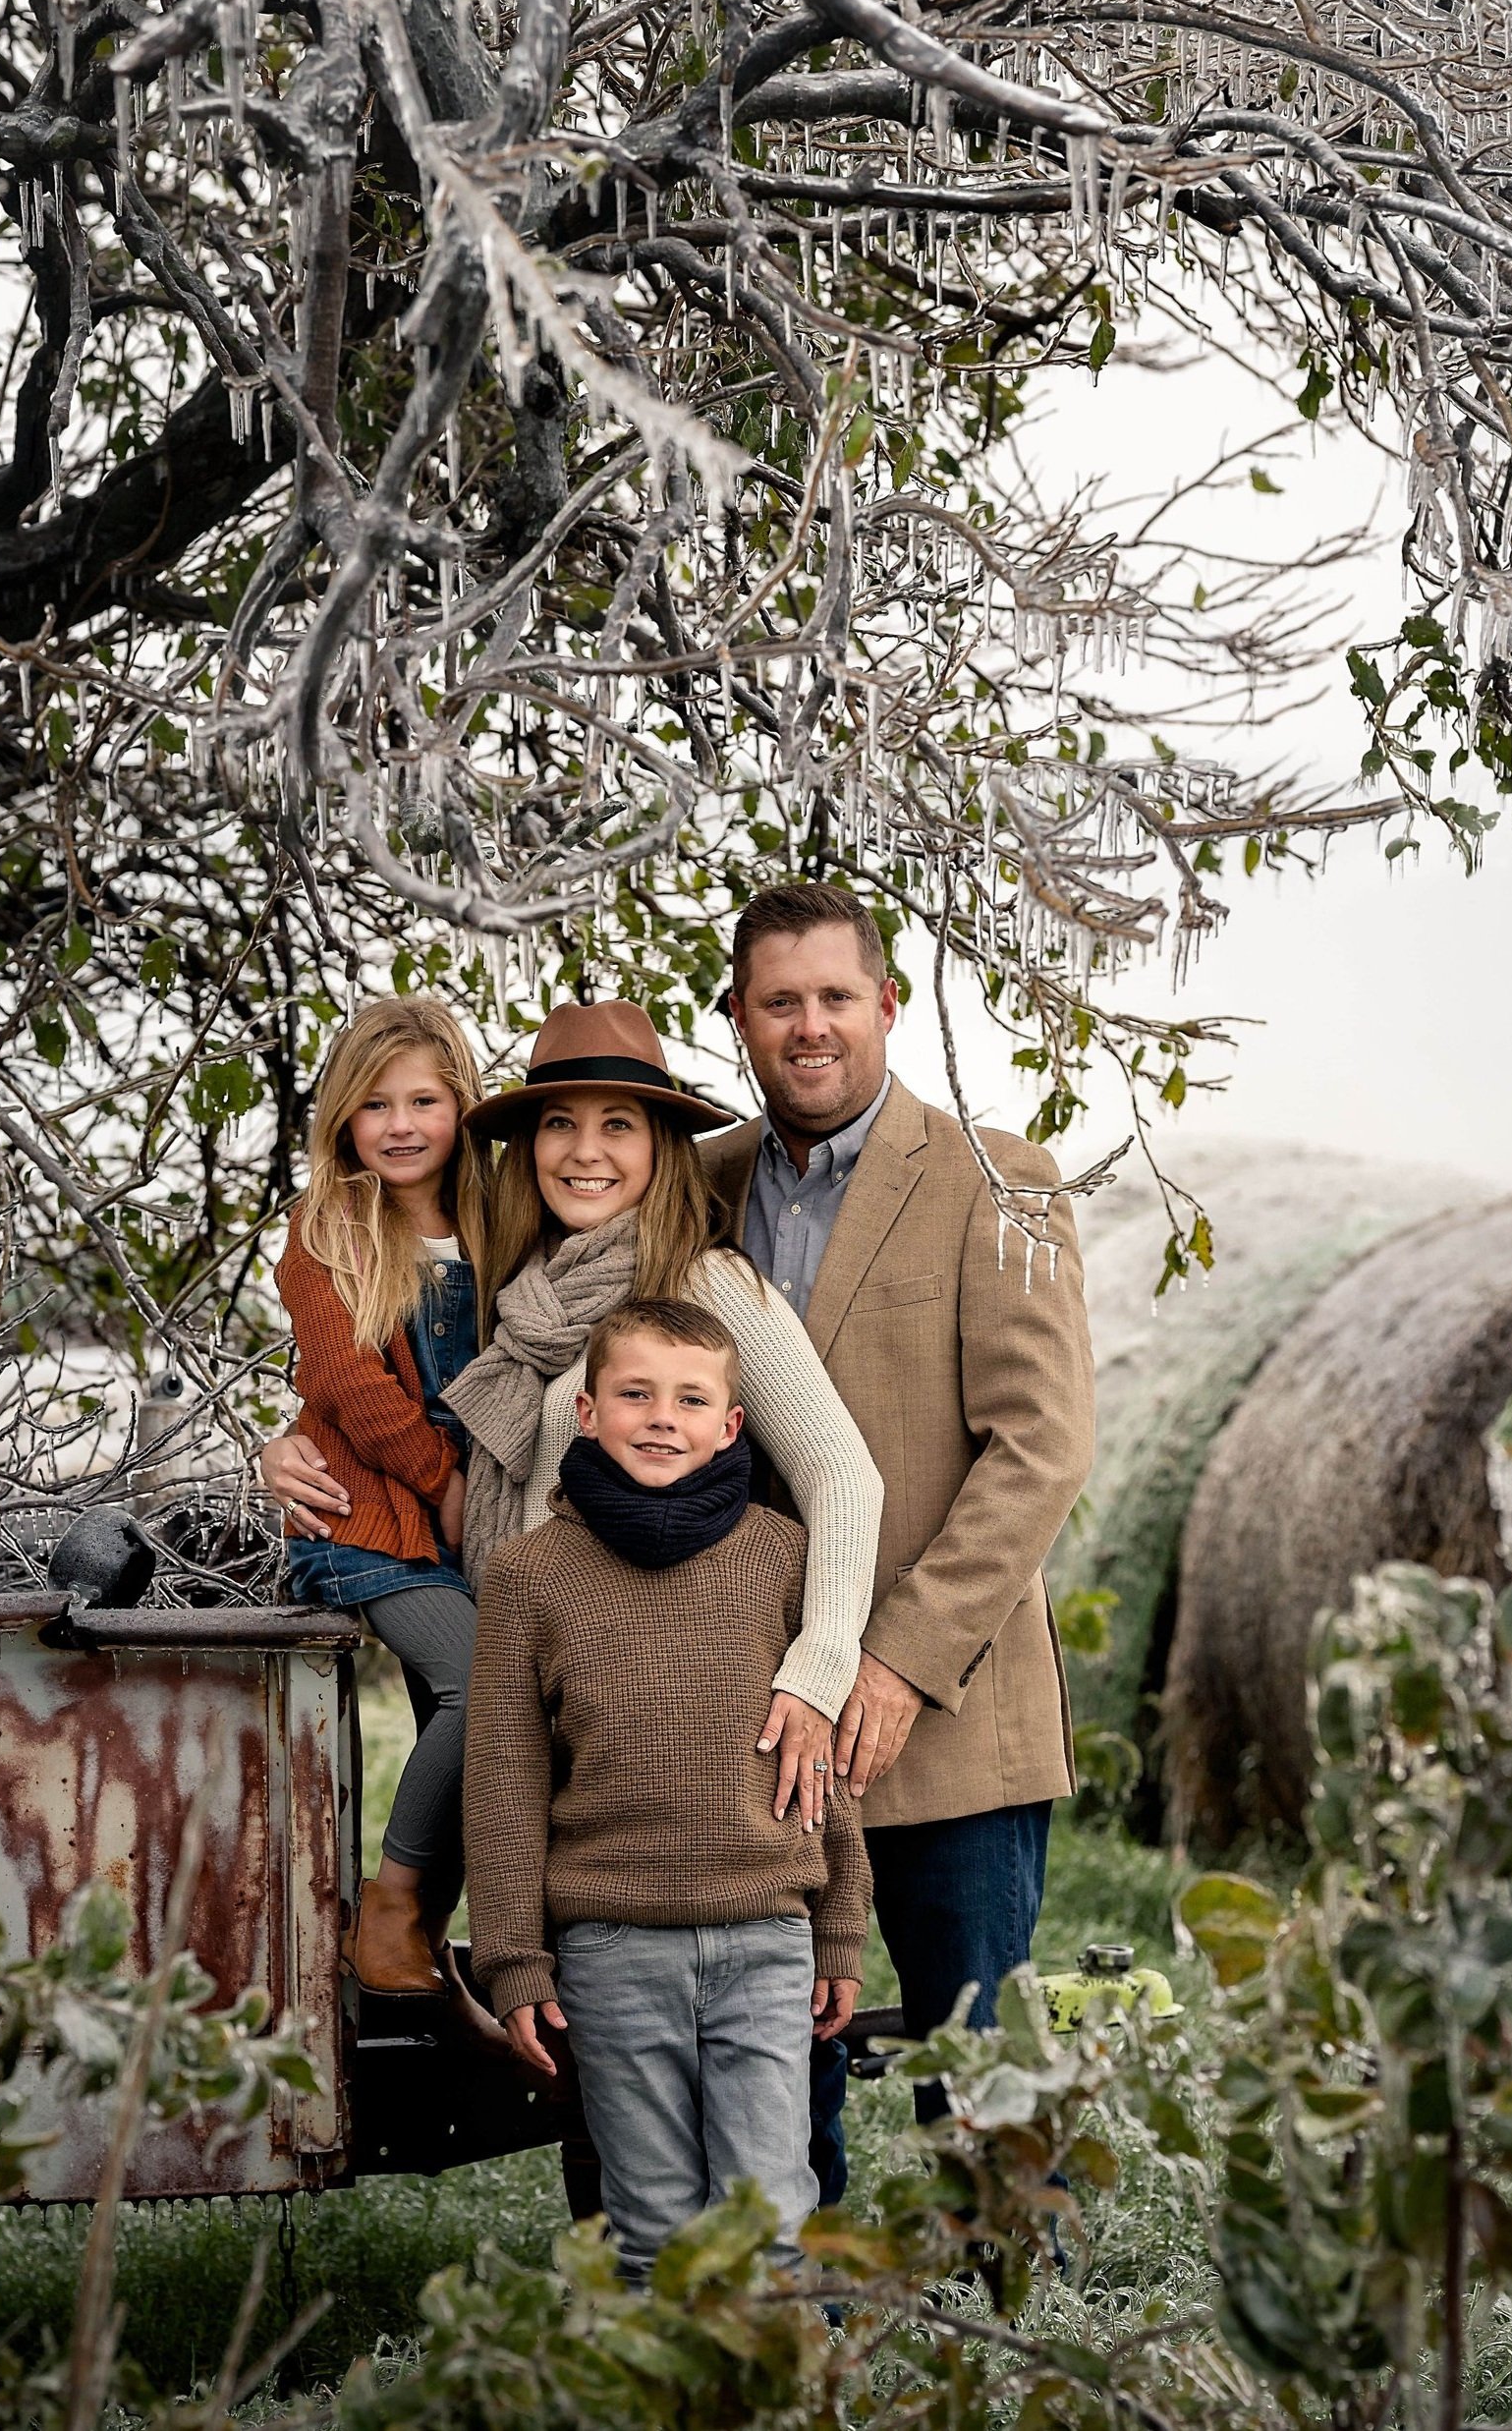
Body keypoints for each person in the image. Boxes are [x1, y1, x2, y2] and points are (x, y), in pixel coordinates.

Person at [702, 881, 1096, 2185]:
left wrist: (895, 1664)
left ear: (885, 1003)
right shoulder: (688, 1190)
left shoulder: (1002, 1179)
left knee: (978, 2095)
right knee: (766, 2091)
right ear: (740, 1021)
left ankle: (1007, 2363)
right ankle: (785, 2343)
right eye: (776, 1003)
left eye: (830, 997)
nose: (806, 1027)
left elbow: (1038, 1449)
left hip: (944, 1723)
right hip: (757, 1726)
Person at [464, 1296, 869, 2279]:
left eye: (691, 1398)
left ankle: (777, 2395)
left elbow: (822, 1759)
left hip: (765, 1941)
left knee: (769, 2209)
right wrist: (515, 1958)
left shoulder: (783, 1555)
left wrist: (841, 1926)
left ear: (733, 1424)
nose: (661, 1416)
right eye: (635, 1393)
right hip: (613, 1949)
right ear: (587, 1414)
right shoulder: (530, 1575)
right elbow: (505, 1778)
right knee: (647, 2225)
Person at [440, 998, 882, 1828]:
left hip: (667, 1712)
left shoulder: (705, 1284)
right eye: (558, 1125)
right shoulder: (520, 1300)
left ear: (660, 1149)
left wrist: (817, 1670)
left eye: (618, 1125)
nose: (584, 1151)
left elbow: (841, 1475)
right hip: (542, 1694)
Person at [263, 997, 497, 2030]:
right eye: (374, 1104)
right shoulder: (328, 1231)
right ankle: (389, 1904)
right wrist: (444, 1485)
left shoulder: (500, 1216)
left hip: (473, 1513)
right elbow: (347, 1382)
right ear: (343, 1120)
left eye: (424, 1100)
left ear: (461, 1105)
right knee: (480, 1682)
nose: (400, 1125)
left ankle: (427, 1930)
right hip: (363, 1520)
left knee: (481, 1712)